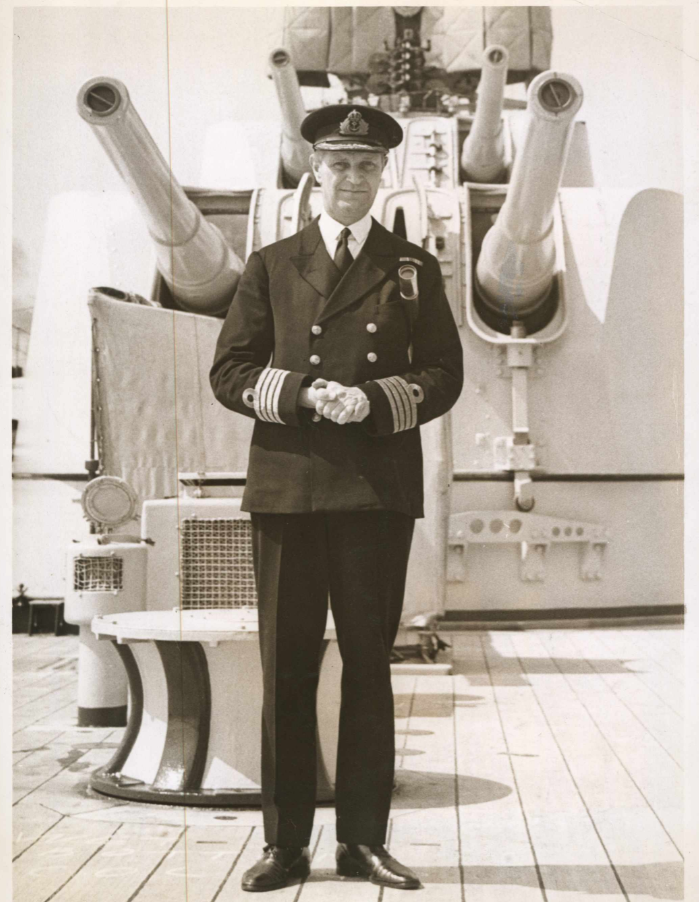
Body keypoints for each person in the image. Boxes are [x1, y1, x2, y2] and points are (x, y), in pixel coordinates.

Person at [210, 103, 463, 892]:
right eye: (338, 164)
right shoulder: (270, 264)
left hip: (371, 495)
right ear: (313, 171)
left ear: (381, 174)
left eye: (365, 165)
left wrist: (378, 397)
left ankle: (360, 842)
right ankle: (285, 846)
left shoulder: (411, 268)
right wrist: (307, 397)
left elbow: (444, 374)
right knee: (285, 668)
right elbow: (230, 372)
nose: (352, 178)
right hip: (288, 490)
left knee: (366, 668)